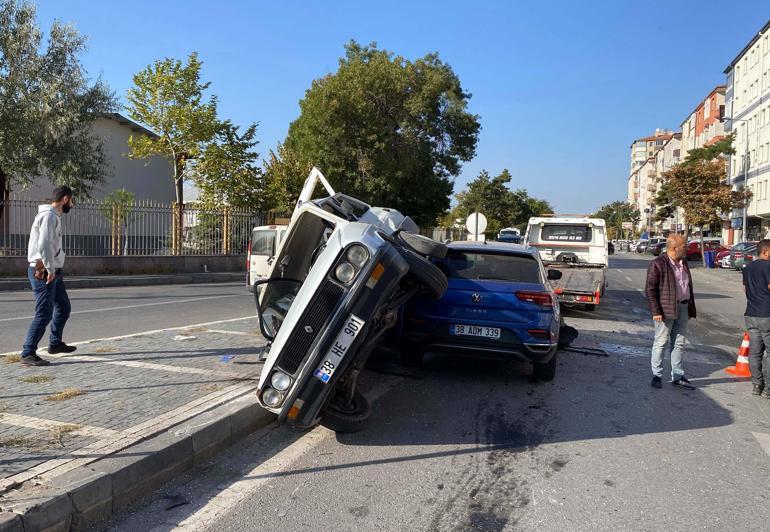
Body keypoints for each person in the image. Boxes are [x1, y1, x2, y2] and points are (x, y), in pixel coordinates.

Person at [19, 186, 77, 366]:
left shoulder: (53, 216)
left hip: (52, 270)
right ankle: (28, 353)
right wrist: (51, 269)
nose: (73, 204)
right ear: (65, 199)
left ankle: (55, 343)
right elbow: (44, 244)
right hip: (43, 271)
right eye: (72, 200)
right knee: (44, 313)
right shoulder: (48, 216)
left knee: (63, 307)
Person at [645, 234, 697, 389]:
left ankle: (678, 375)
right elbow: (650, 289)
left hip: (683, 307)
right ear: (675, 248)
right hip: (665, 310)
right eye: (684, 246)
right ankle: (657, 375)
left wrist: (690, 306)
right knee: (661, 342)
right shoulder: (658, 263)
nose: (686, 248)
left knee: (679, 343)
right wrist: (656, 311)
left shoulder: (684, 263)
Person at [742, 239, 770, 397]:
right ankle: (768, 389)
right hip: (767, 314)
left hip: (751, 314)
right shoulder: (768, 266)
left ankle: (757, 385)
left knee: (755, 352)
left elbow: (745, 289)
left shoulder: (748, 268)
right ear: (765, 251)